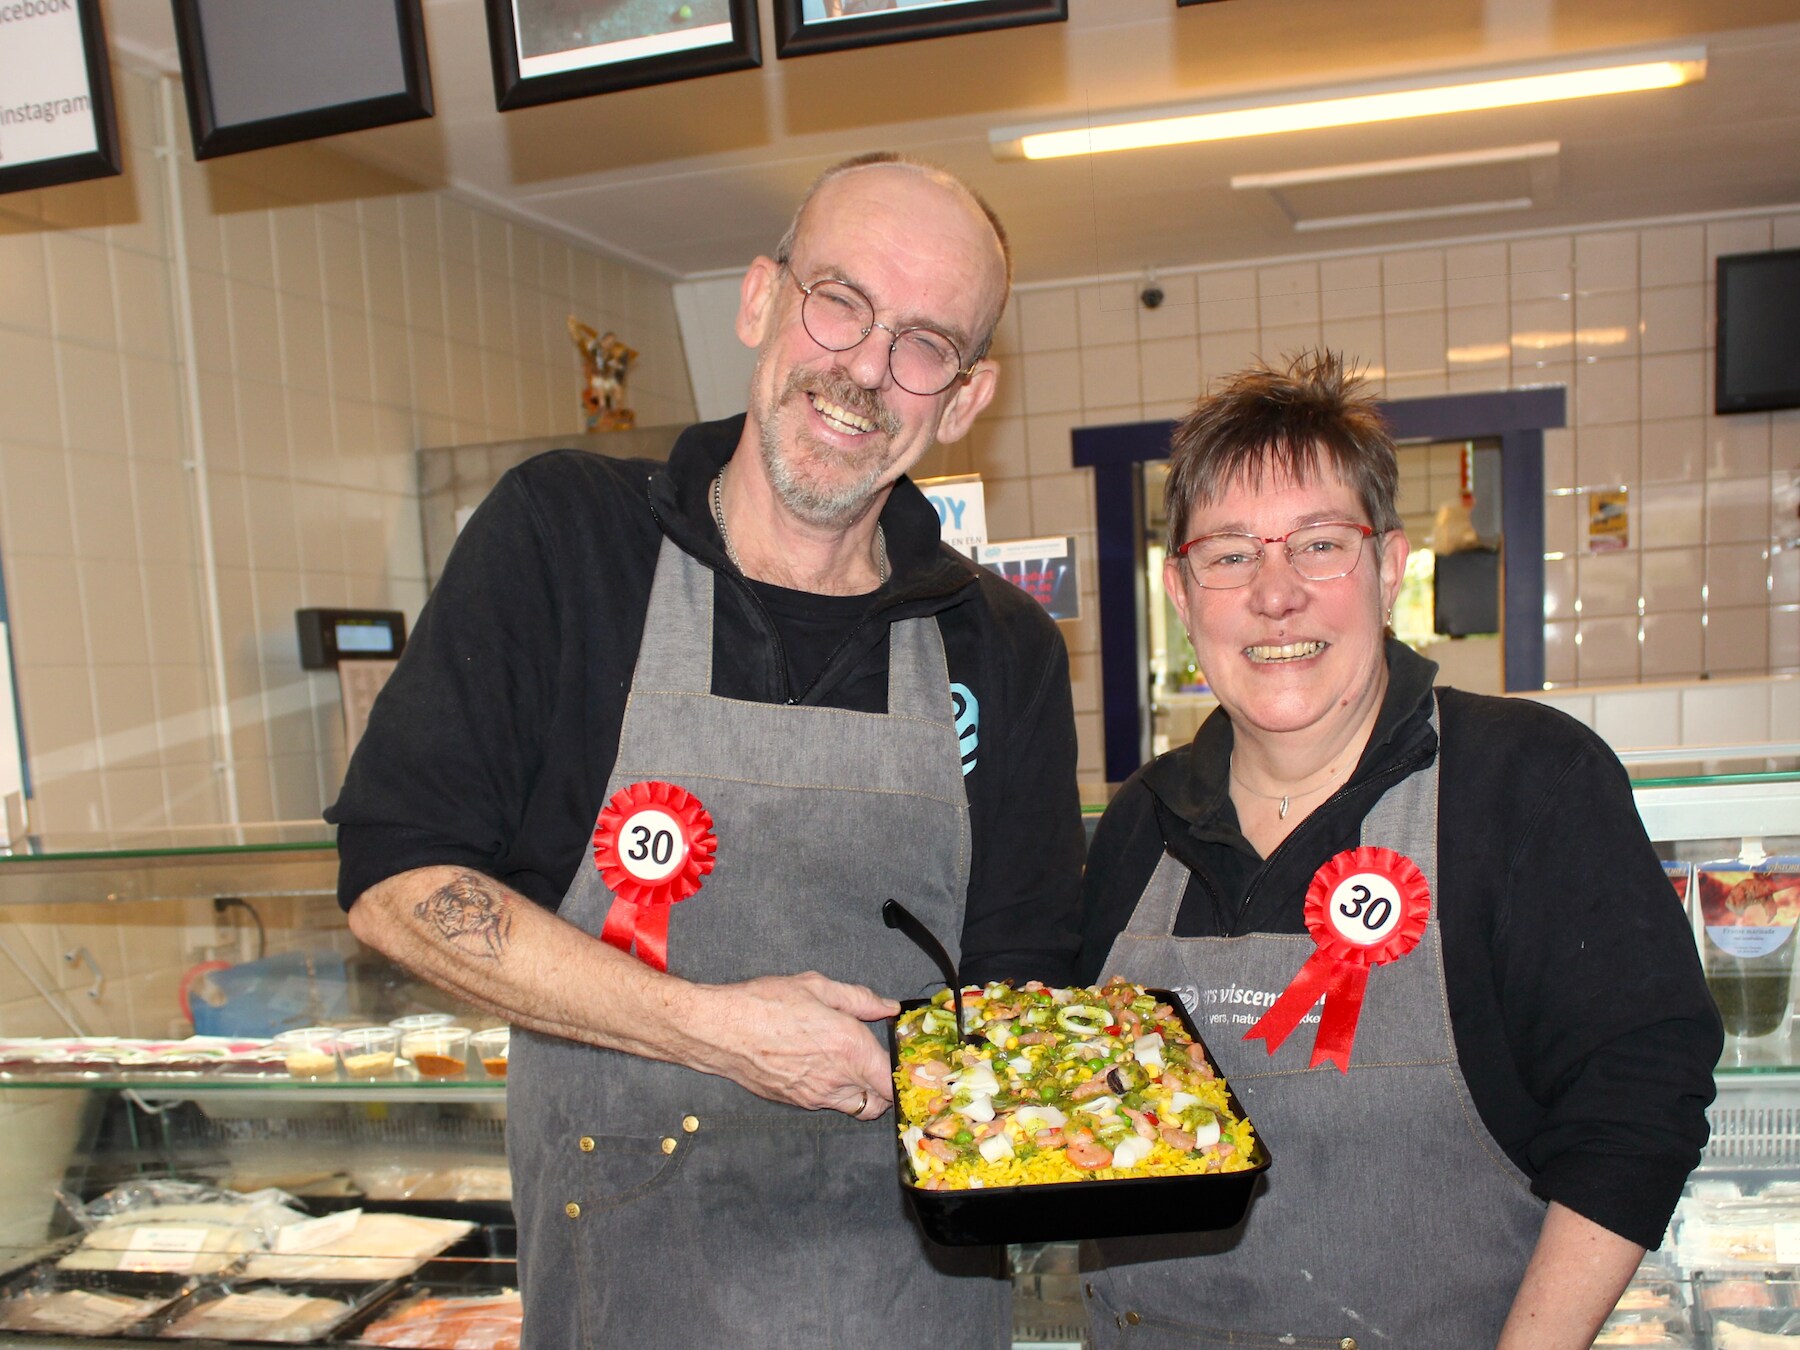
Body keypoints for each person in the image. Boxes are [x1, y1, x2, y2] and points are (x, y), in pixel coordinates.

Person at [327, 154, 1085, 1348]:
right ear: (760, 300)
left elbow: (1023, 987)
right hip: (628, 1294)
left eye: (924, 345)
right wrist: (719, 1032)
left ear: (963, 399)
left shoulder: (1002, 644)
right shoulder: (569, 541)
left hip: (909, 1306)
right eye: (840, 302)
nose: (865, 369)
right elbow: (397, 884)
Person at [1074, 351, 1721, 1348]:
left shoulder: (1524, 781)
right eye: (1231, 554)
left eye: (1320, 545)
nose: (1277, 594)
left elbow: (1637, 1104)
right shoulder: (1137, 826)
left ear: (1388, 570)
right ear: (1180, 592)